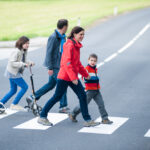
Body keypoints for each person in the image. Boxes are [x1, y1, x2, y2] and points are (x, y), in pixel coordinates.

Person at [37, 26, 100, 127]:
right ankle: (42, 116)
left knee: (82, 96)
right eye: (80, 34)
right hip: (65, 77)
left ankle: (87, 120)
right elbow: (67, 63)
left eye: (83, 34)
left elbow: (77, 63)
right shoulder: (69, 45)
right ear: (74, 34)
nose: (82, 36)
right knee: (57, 97)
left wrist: (86, 75)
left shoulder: (76, 45)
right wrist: (73, 78)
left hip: (71, 77)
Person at [26, 19, 70, 113]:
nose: (67, 28)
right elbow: (49, 53)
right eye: (67, 26)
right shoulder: (53, 37)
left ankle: (33, 97)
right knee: (62, 83)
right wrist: (50, 67)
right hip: (54, 66)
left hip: (60, 64)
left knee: (51, 85)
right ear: (65, 27)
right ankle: (63, 106)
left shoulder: (62, 36)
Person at [69, 54, 113, 124]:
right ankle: (73, 113)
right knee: (83, 105)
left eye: (95, 61)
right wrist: (95, 78)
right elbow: (85, 79)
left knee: (101, 104)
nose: (93, 62)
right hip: (89, 91)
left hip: (96, 90)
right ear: (88, 60)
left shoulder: (95, 69)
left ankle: (105, 118)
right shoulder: (86, 69)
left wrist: (95, 80)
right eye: (91, 60)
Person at [0, 36, 34, 112]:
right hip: (13, 73)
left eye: (28, 43)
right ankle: (14, 104)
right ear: (21, 43)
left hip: (13, 72)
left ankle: (1, 103)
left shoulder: (23, 50)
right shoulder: (16, 51)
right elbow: (12, 63)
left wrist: (29, 62)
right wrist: (23, 64)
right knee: (25, 87)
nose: (27, 45)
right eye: (25, 43)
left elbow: (24, 60)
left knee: (13, 90)